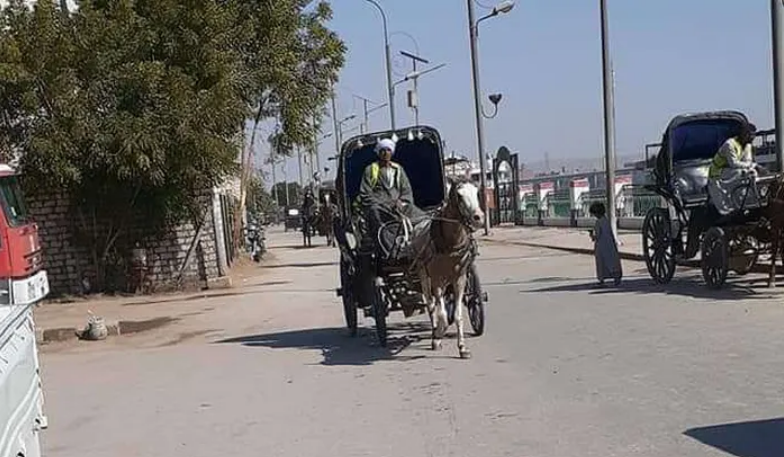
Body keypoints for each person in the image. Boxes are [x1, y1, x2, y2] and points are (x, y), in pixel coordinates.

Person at [358, 138, 421, 249]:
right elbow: (365, 194)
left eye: (388, 150)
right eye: (383, 150)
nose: (385, 153)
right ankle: (390, 247)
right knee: (375, 213)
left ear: (392, 152)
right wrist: (386, 203)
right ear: (378, 152)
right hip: (380, 207)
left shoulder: (398, 170)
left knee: (417, 213)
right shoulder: (370, 170)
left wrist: (402, 201)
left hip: (399, 206)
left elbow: (406, 190)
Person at [706, 123, 761, 215]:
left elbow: (748, 162)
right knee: (740, 172)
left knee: (752, 173)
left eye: (753, 135)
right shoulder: (729, 144)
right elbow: (734, 163)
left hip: (731, 172)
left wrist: (753, 167)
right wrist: (752, 165)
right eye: (750, 135)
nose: (752, 137)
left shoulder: (747, 145)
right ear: (743, 134)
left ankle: (752, 200)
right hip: (718, 174)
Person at [589, 201, 622, 286]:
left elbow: (597, 235)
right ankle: (616, 278)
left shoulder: (598, 222)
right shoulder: (606, 220)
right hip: (610, 244)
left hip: (601, 245)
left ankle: (602, 280)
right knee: (612, 261)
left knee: (601, 263)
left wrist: (591, 235)